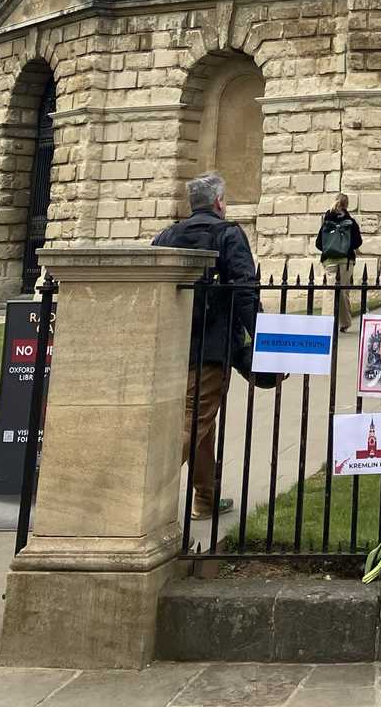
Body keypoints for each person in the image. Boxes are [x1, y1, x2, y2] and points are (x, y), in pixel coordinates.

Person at [152, 171, 258, 520]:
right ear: (218, 202)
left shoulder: (169, 234)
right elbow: (244, 288)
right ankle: (137, 495)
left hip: (174, 344)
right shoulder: (228, 234)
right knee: (191, 422)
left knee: (199, 421)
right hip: (211, 348)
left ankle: (206, 499)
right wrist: (264, 338)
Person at [317, 192, 362, 331]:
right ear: (347, 205)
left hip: (329, 260)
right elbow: (357, 242)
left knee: (330, 291)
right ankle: (344, 323)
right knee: (343, 291)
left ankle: (327, 322)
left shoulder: (327, 221)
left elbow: (319, 243)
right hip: (345, 261)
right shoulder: (351, 222)